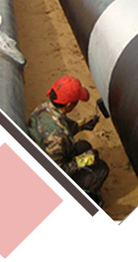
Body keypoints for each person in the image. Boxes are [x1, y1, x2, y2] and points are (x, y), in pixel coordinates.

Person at [28, 75, 109, 204]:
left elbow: (62, 126)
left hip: (46, 153)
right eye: (77, 101)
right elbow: (57, 172)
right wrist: (81, 161)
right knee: (101, 169)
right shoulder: (57, 138)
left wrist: (83, 124)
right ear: (70, 104)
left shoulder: (43, 109)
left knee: (84, 145)